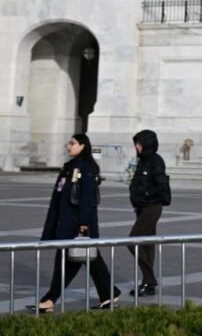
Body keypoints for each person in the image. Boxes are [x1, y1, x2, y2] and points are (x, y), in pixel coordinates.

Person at [28, 134, 121, 312]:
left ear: (83, 146)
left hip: (78, 225)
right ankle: (109, 294)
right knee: (92, 260)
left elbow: (87, 198)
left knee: (66, 260)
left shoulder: (87, 167)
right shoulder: (69, 167)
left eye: (73, 143)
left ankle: (50, 300)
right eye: (68, 143)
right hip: (66, 221)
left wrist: (84, 224)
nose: (68, 146)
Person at [128, 129, 168, 297]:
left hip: (151, 207)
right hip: (142, 208)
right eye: (136, 143)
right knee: (147, 245)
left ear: (147, 144)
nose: (137, 146)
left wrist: (146, 195)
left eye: (139, 143)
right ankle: (148, 284)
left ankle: (150, 279)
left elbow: (161, 185)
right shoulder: (143, 160)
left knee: (132, 241)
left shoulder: (155, 161)